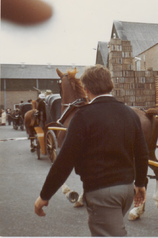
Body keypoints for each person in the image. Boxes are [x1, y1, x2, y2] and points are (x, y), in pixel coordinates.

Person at [34, 65, 149, 236]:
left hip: (102, 191)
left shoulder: (83, 116)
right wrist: (140, 183)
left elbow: (65, 161)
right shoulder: (130, 113)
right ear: (111, 85)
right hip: (126, 190)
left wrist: (44, 196)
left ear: (86, 89)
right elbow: (142, 152)